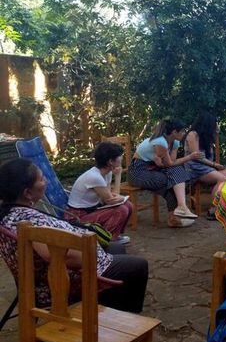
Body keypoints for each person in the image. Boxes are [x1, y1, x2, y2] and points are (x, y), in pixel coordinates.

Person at [0, 158, 149, 313]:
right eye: (42, 179)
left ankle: (108, 309)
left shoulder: (9, 214)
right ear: (27, 193)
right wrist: (92, 253)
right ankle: (121, 318)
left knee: (116, 247)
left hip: (48, 274)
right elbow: (62, 257)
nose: (45, 182)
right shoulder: (29, 223)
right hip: (61, 280)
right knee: (138, 266)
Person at [128, 118, 200, 228]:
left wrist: (161, 164)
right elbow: (169, 164)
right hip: (137, 171)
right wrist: (189, 157)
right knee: (170, 181)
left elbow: (172, 164)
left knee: (175, 176)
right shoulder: (160, 142)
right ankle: (176, 215)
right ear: (174, 132)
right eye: (182, 131)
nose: (184, 133)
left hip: (154, 169)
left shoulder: (175, 142)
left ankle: (179, 210)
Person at [66, 142, 133, 245]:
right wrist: (119, 197)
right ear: (110, 161)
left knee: (128, 205)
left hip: (91, 210)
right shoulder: (95, 177)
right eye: (119, 156)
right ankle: (105, 240)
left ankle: (114, 236)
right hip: (77, 217)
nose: (121, 158)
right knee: (122, 209)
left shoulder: (107, 173)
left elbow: (113, 198)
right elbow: (111, 201)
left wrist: (117, 176)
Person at [185, 113, 226, 221]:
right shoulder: (193, 135)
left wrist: (216, 131)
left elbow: (216, 136)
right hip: (195, 168)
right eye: (214, 124)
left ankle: (225, 205)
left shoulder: (207, 135)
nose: (215, 126)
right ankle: (213, 210)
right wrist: (214, 165)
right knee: (221, 178)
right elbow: (197, 157)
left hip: (208, 166)